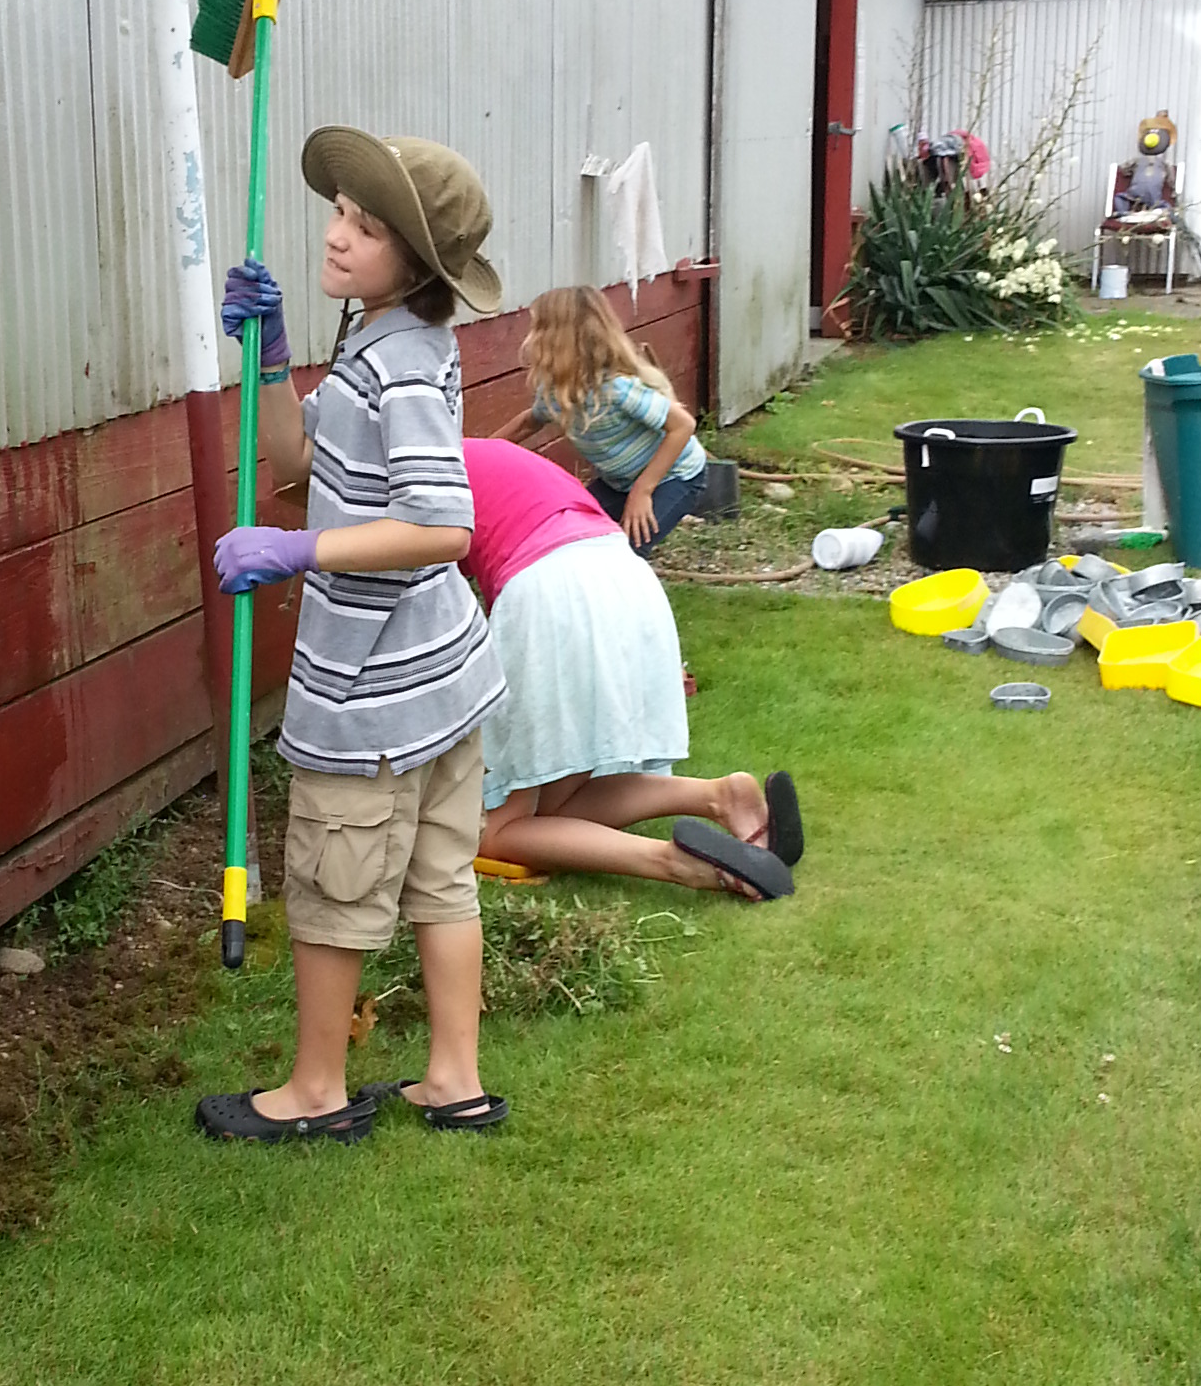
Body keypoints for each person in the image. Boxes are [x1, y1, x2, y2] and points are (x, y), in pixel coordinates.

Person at [197, 130, 509, 1143]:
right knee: (441, 877)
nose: (334, 234)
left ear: (415, 265)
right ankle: (452, 1079)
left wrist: (300, 554)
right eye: (338, 211)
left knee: (336, 883)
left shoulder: (402, 371)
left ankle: (316, 1093)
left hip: (373, 694)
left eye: (364, 228)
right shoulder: (383, 346)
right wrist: (277, 357)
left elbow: (444, 524)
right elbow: (292, 459)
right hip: (438, 680)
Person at [462, 436, 799, 898]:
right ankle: (717, 795)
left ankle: (675, 863)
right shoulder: (483, 452)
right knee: (559, 805)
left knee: (497, 830)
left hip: (549, 592)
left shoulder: (409, 484)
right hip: (626, 575)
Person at [500, 285, 710, 550]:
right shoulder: (558, 391)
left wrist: (642, 491)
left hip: (674, 477)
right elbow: (528, 422)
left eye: (536, 328)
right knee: (572, 537)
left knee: (624, 551)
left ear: (559, 339)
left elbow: (683, 426)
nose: (529, 339)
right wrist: (474, 452)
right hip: (618, 483)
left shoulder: (616, 388)